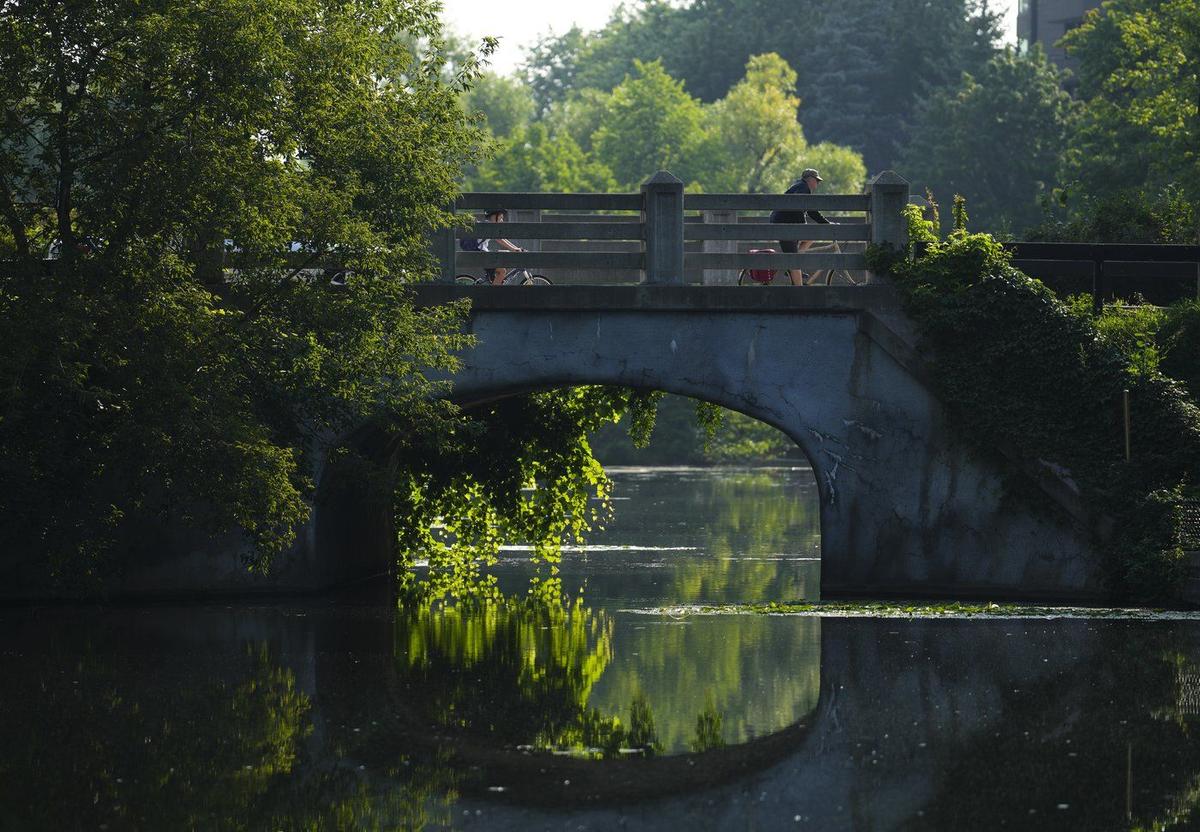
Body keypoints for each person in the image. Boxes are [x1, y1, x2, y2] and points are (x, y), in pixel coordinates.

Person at [769, 168, 832, 286]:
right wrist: (803, 225)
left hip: (784, 224)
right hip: (784, 226)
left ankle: (794, 263)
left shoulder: (800, 186)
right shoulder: (803, 188)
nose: (818, 183)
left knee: (811, 236)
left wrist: (827, 224)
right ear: (810, 179)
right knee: (794, 262)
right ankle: (799, 294)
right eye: (816, 180)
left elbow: (811, 211)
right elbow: (798, 207)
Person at [480, 208, 523, 285]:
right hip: (480, 254)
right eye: (501, 218)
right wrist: (514, 249)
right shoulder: (489, 226)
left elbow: (503, 239)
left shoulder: (488, 224)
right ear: (494, 217)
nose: (502, 220)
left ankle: (495, 281)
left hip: (483, 253)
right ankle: (493, 296)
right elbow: (499, 239)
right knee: (502, 272)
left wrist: (515, 248)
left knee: (505, 253)